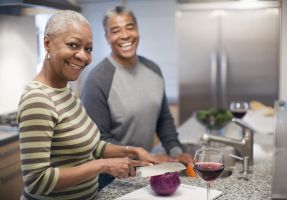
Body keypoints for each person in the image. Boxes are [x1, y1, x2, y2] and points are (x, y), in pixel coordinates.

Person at [17, 10, 157, 200]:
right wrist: (102, 166)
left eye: (88, 49)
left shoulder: (67, 92)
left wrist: (132, 151)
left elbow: (93, 146)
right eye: (73, 45)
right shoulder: (38, 99)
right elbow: (36, 181)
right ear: (47, 43)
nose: (83, 56)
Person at [81, 6, 192, 164]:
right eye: (115, 30)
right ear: (106, 37)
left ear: (138, 30)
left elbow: (163, 119)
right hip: (110, 175)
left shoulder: (154, 70)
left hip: (143, 167)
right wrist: (144, 157)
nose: (125, 35)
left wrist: (176, 151)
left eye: (129, 27)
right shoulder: (97, 80)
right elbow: (99, 140)